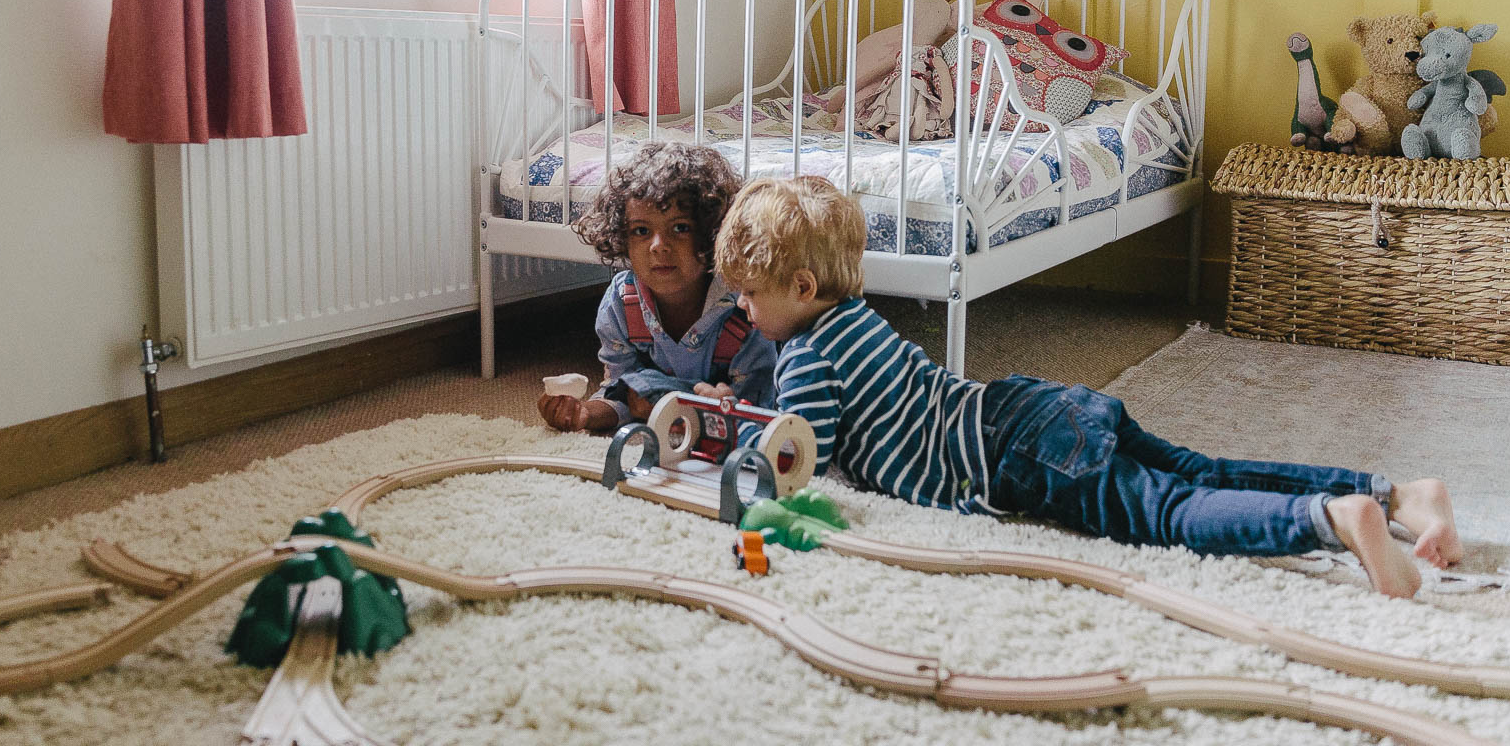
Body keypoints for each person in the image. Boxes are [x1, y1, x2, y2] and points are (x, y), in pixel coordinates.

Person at [714, 176, 1462, 599]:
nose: (741, 309)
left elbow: (797, 453)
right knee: (1199, 470)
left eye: (747, 295)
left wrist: (741, 446)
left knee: (1170, 511)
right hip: (1038, 405)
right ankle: (1397, 495)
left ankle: (1332, 518)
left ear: (802, 285)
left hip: (1019, 455)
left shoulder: (805, 358)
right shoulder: (859, 318)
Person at [538, 142, 777, 434]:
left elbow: (762, 410)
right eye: (641, 231)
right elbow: (620, 390)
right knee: (638, 388)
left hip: (732, 410)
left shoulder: (746, 306)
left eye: (679, 228)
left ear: (713, 230)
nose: (658, 246)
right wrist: (585, 413)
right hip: (662, 398)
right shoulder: (621, 303)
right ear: (622, 237)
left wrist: (707, 411)